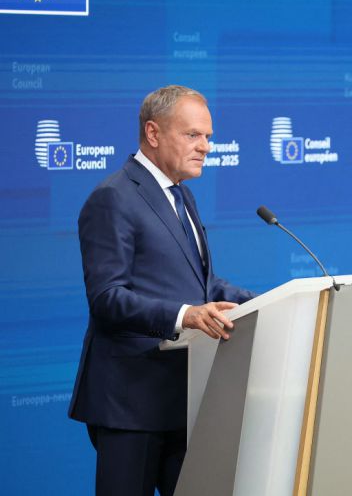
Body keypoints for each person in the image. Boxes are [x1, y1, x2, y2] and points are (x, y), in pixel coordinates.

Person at [68, 85, 257, 495]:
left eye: (208, 136)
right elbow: (107, 298)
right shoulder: (112, 198)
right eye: (193, 135)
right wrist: (184, 315)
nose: (206, 146)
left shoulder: (181, 193)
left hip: (180, 396)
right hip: (129, 403)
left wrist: (259, 301)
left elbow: (198, 283)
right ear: (153, 134)